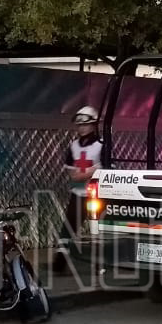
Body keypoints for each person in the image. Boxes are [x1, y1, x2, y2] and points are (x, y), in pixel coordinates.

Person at [55, 106, 103, 271]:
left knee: (97, 230)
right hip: (78, 194)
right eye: (79, 125)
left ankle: (100, 264)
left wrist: (86, 173)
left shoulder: (101, 145)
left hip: (97, 196)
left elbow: (106, 168)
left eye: (85, 124)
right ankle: (59, 263)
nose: (82, 128)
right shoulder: (74, 145)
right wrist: (83, 173)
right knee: (68, 229)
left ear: (93, 125)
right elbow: (69, 167)